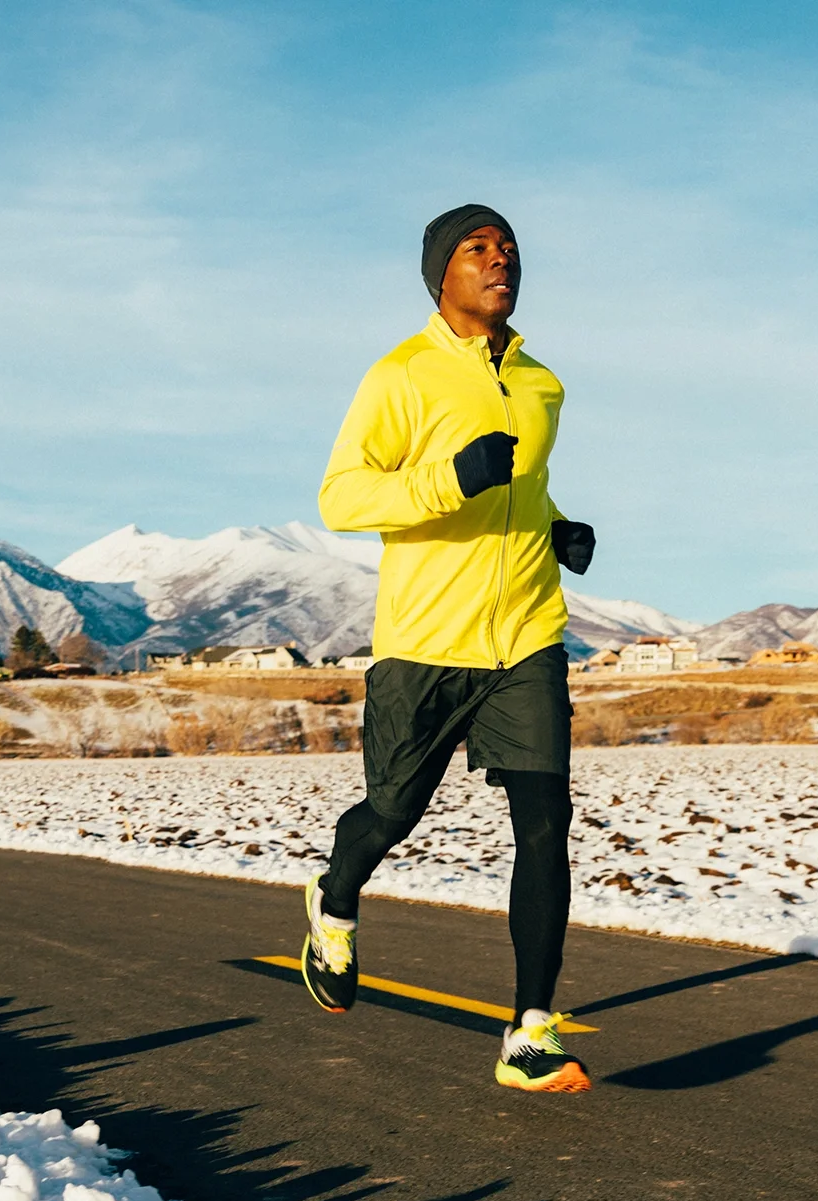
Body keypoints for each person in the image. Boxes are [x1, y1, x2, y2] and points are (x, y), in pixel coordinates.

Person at [303, 204, 599, 1093]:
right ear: (443, 274)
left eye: (508, 248)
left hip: (528, 636)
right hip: (427, 638)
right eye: (478, 249)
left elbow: (525, 485)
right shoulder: (401, 374)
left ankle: (530, 1031)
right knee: (391, 812)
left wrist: (556, 527)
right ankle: (334, 898)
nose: (499, 259)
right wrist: (450, 478)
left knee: (547, 829)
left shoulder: (543, 382)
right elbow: (342, 498)